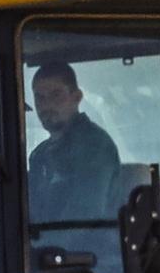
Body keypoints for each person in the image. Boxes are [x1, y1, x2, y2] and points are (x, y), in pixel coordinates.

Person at [25, 57, 127, 231]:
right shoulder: (39, 155)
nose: (46, 105)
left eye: (56, 95)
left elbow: (84, 218)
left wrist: (38, 248)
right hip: (39, 251)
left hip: (87, 254)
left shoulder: (94, 146)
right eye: (39, 97)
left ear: (76, 97)